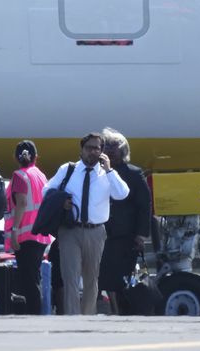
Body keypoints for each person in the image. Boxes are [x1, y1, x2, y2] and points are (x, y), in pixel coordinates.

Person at [43, 132, 129, 315]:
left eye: (97, 148)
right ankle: (73, 318)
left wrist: (110, 171)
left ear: (102, 151)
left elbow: (122, 194)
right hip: (70, 231)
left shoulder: (107, 174)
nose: (93, 152)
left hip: (95, 232)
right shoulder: (68, 170)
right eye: (89, 148)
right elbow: (46, 190)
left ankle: (87, 317)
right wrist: (61, 202)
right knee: (71, 278)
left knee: (91, 280)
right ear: (82, 150)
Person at [98, 127, 152, 315]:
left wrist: (140, 235)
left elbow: (144, 206)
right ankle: (112, 310)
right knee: (103, 277)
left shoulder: (134, 174)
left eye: (114, 146)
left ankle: (121, 310)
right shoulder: (97, 172)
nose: (110, 150)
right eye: (106, 146)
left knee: (118, 278)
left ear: (123, 150)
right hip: (102, 234)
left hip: (124, 236)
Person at [4, 140, 52, 315]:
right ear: (36, 157)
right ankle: (37, 314)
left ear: (16, 158)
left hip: (25, 235)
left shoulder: (19, 176)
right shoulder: (40, 175)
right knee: (34, 279)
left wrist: (14, 232)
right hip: (40, 235)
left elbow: (22, 203)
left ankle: (33, 319)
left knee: (28, 283)